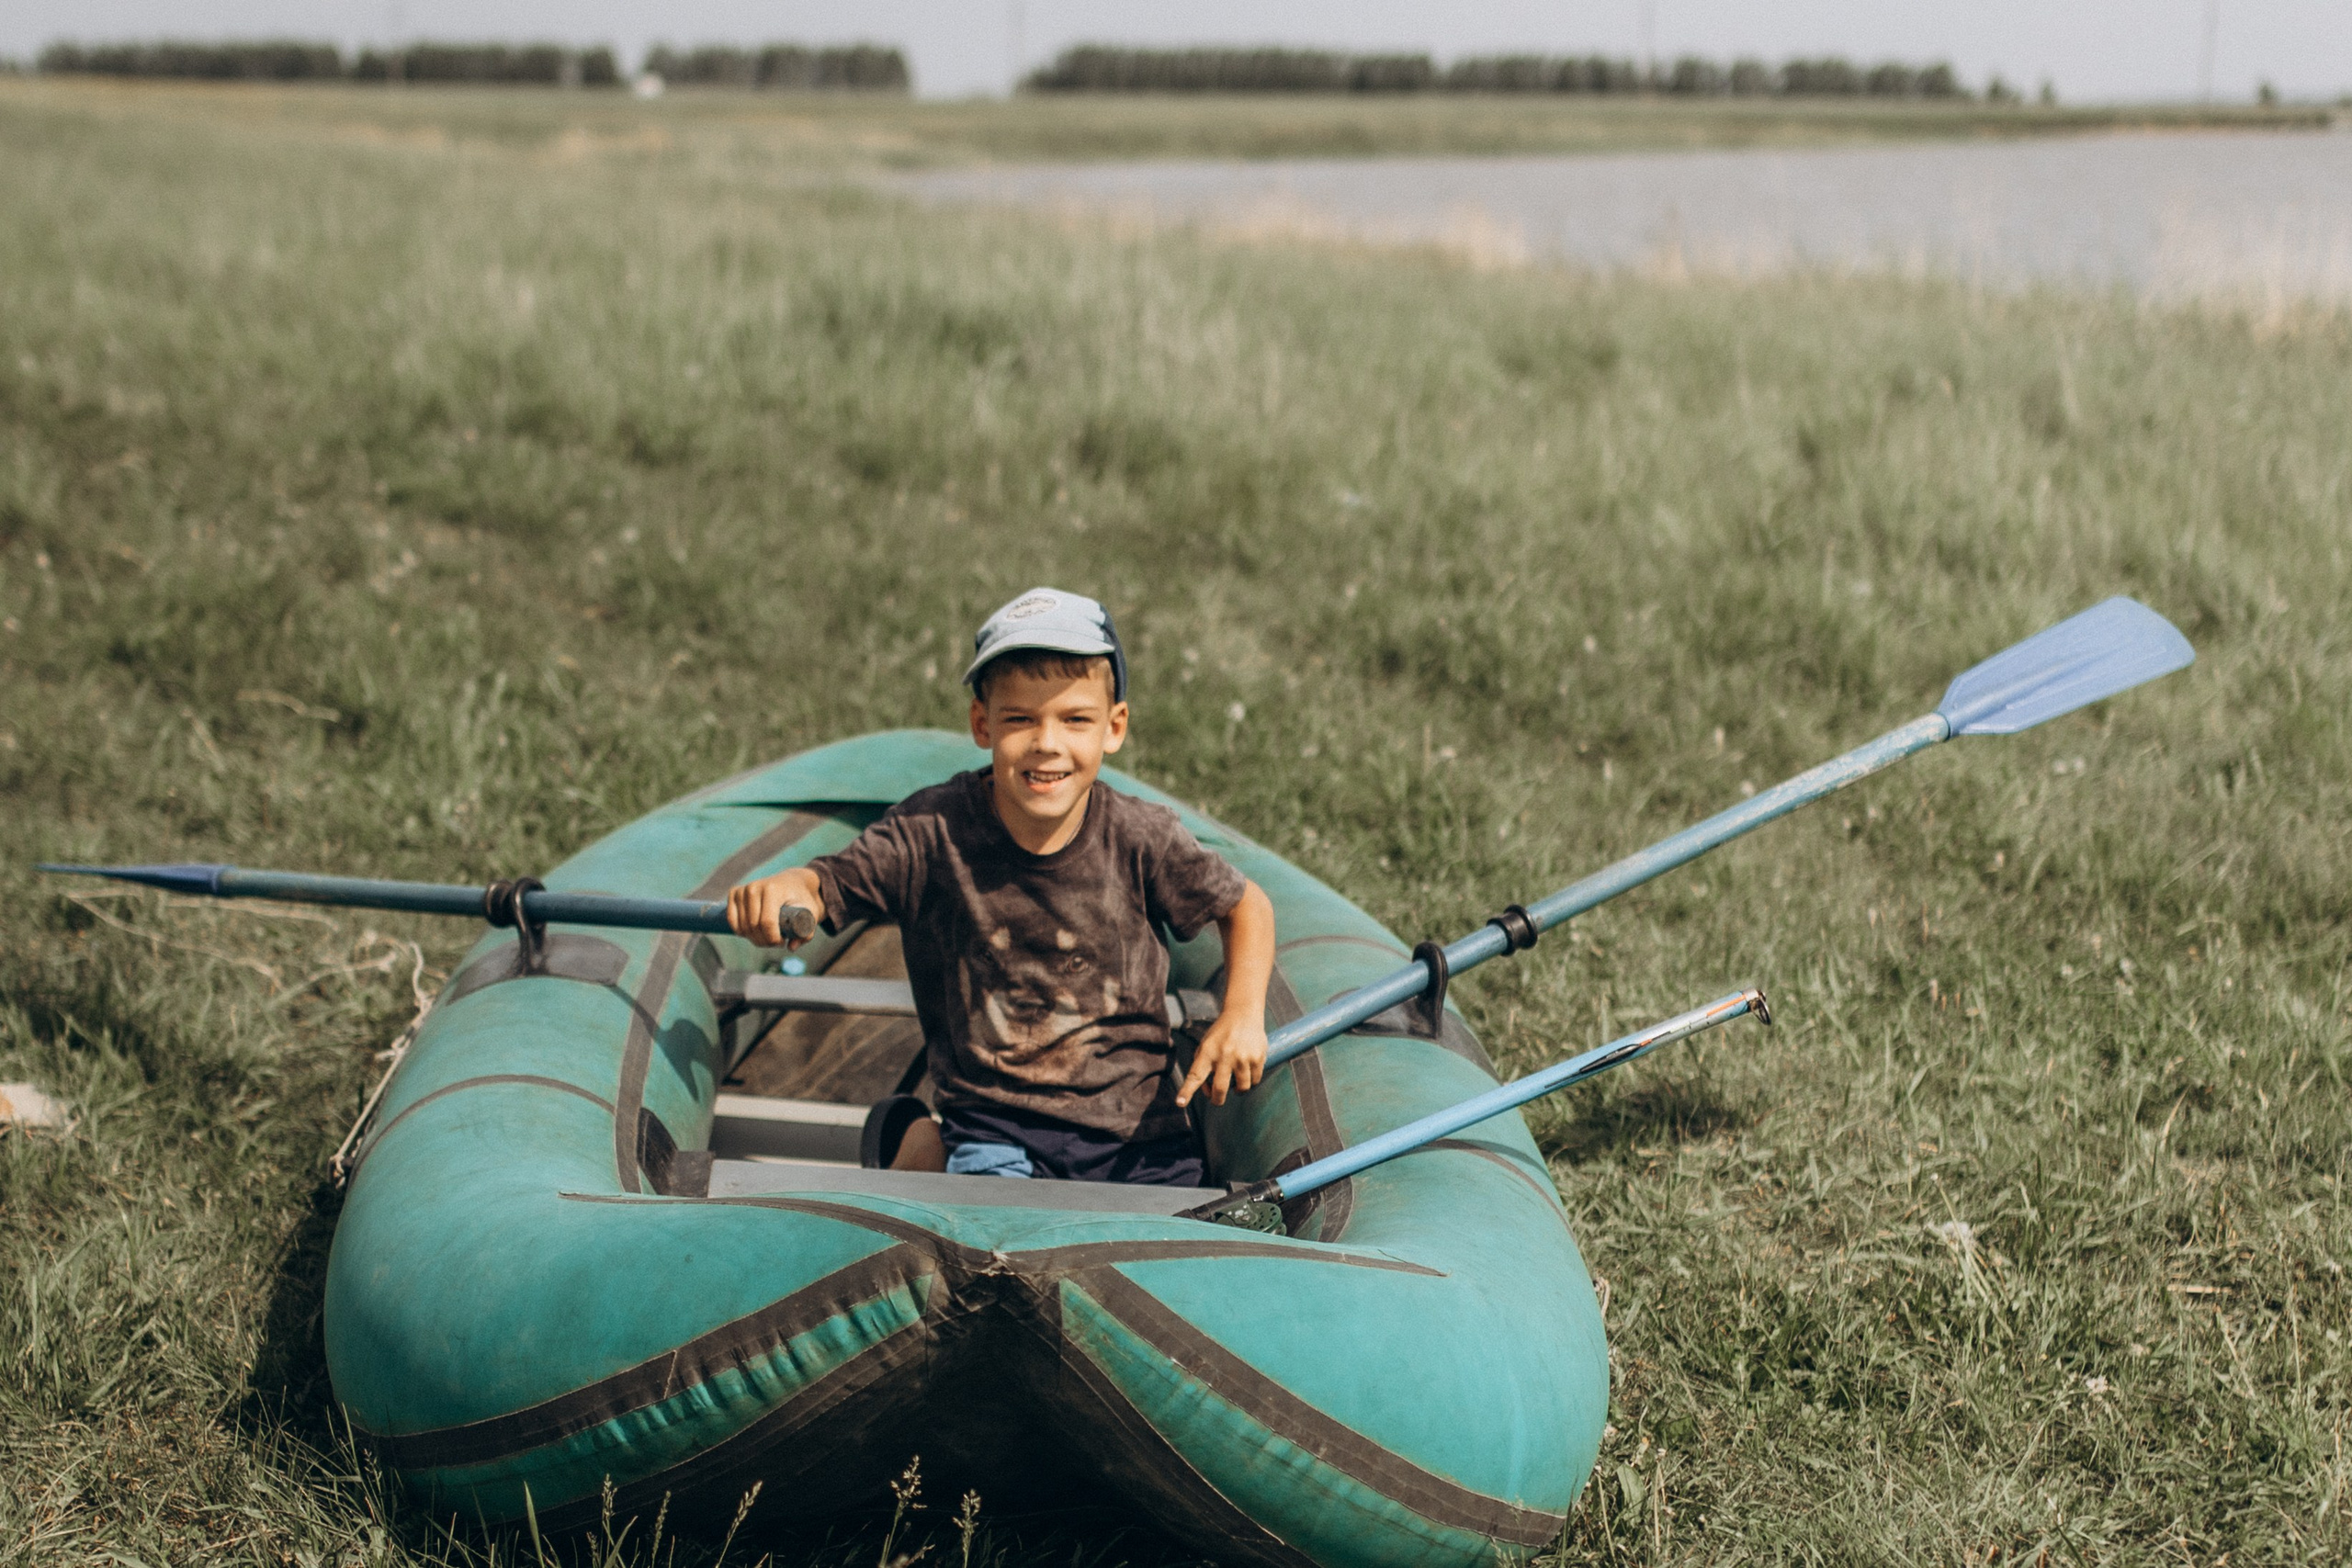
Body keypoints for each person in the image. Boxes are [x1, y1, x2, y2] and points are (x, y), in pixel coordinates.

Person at [727, 587, 1275, 1185]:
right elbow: (827, 883)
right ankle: (916, 1141)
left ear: (1113, 727)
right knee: (990, 1261)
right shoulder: (931, 833)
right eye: (1020, 718)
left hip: (1137, 1132)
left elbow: (1247, 904)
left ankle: (913, 1145)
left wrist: (1243, 1013)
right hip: (995, 1127)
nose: (1047, 741)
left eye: (1075, 719)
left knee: (1181, 1260)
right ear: (982, 723)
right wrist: (791, 887)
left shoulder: (1142, 836)